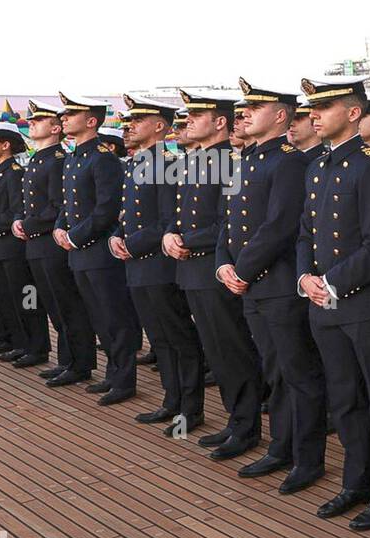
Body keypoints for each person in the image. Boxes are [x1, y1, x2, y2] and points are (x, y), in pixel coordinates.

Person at [298, 75, 370, 532]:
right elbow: (306, 231)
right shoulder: (318, 167)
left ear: (351, 113)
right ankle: (356, 481)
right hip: (323, 303)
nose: (314, 116)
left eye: (323, 108)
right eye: (312, 109)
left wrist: (330, 281)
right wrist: (306, 276)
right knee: (344, 400)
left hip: (365, 305)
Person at [217, 79, 327, 495]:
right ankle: (281, 446)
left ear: (280, 116)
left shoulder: (289, 162)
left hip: (278, 285)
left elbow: (279, 225)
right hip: (252, 286)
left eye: (254, 107)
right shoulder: (245, 160)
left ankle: (308, 457)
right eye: (244, 108)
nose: (244, 113)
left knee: (298, 373)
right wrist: (223, 264)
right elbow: (229, 222)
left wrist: (241, 269)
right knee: (274, 371)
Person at [165, 88, 264, 460]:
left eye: (196, 116)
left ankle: (246, 425)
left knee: (232, 350)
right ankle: (235, 419)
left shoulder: (231, 161)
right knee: (217, 352)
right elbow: (180, 215)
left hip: (213, 267)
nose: (188, 121)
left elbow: (231, 223)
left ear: (220, 122)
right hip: (191, 269)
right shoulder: (194, 161)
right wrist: (170, 236)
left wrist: (187, 239)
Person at [113, 94, 205, 436]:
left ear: (159, 126)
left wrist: (131, 243)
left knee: (179, 337)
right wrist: (117, 237)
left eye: (138, 120)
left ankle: (190, 408)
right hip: (136, 264)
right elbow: (129, 215)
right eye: (129, 121)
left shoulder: (168, 163)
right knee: (160, 339)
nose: (130, 126)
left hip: (158, 265)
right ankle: (171, 400)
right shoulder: (136, 163)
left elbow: (168, 220)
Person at [55, 93, 142, 404]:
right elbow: (68, 204)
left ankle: (124, 379)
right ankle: (111, 374)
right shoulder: (74, 157)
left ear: (91, 121)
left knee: (115, 316)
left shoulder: (103, 158)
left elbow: (106, 209)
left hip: (99, 252)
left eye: (71, 114)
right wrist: (60, 228)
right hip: (79, 252)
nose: (63, 118)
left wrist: (75, 236)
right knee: (98, 316)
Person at [13, 100, 96, 384]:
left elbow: (58, 207)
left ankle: (80, 363)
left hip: (51, 243)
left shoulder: (58, 159)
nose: (32, 123)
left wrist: (27, 224)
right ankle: (67, 360)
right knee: (54, 305)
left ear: (56, 128)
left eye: (39, 120)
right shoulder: (39, 159)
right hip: (36, 243)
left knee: (68, 305)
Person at [0, 122, 50, 367]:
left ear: (5, 145)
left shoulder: (15, 171)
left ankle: (38, 347)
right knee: (6, 297)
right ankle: (18, 342)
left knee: (26, 298)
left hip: (13, 248)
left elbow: (15, 211)